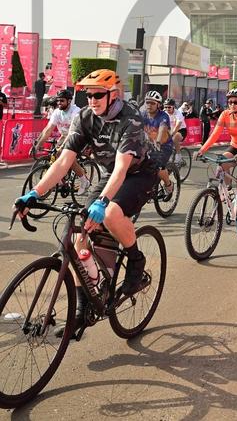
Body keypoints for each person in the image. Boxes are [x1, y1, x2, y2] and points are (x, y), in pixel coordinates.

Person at [14, 69, 157, 335]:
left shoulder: (131, 119)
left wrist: (102, 202)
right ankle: (85, 305)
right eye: (88, 95)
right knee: (78, 237)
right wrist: (34, 193)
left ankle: (136, 261)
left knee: (111, 213)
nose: (92, 100)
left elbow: (122, 169)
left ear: (113, 95)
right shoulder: (85, 117)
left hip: (138, 175)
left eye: (98, 95)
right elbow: (64, 162)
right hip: (109, 175)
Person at [197, 89, 237, 240]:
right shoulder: (225, 114)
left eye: (236, 102)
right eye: (230, 102)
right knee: (221, 165)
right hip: (235, 146)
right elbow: (215, 134)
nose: (232, 104)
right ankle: (228, 191)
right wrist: (202, 150)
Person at [31, 88, 90, 194]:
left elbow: (72, 132)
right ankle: (61, 181)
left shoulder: (75, 111)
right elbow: (48, 129)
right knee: (55, 154)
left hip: (79, 135)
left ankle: (84, 180)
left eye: (62, 100)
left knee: (67, 156)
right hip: (65, 135)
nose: (59, 103)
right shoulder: (57, 112)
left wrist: (62, 147)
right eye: (58, 100)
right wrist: (38, 144)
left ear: (69, 101)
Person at [142, 90, 175, 199]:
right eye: (147, 102)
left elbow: (162, 129)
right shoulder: (143, 114)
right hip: (148, 144)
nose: (149, 105)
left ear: (159, 105)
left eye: (152, 103)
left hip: (164, 146)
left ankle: (168, 185)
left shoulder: (163, 116)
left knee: (159, 167)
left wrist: (158, 142)